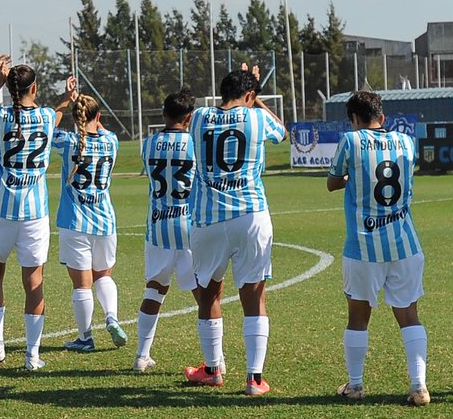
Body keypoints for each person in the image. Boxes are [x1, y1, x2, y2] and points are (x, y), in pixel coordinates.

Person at [184, 64, 286, 396]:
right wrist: (256, 101)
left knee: (209, 294)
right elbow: (282, 131)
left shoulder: (198, 118)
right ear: (250, 96)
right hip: (251, 216)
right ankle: (255, 379)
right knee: (254, 296)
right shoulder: (257, 117)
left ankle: (213, 369)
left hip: (208, 218)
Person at [327, 91, 429, 406]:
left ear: (354, 120)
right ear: (382, 118)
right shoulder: (406, 142)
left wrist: (350, 178)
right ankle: (419, 386)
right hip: (404, 244)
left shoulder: (351, 141)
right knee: (409, 315)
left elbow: (332, 182)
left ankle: (356, 385)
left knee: (358, 317)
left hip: (363, 245)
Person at [0, 56, 58, 371]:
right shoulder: (48, 117)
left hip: (0, 209)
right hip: (35, 212)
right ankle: (33, 355)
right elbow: (58, 113)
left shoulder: (0, 116)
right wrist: (67, 98)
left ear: (10, 90)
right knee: (33, 280)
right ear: (34, 88)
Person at [52, 86, 127, 354]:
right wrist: (85, 108)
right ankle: (112, 317)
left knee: (81, 284)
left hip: (75, 223)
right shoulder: (112, 141)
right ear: (99, 115)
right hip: (105, 222)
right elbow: (99, 128)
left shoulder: (68, 142)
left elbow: (49, 127)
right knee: (103, 276)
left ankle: (85, 337)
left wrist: (65, 102)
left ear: (76, 118)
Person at [133, 88, 202, 373]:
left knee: (155, 289)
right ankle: (216, 359)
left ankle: (141, 355)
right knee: (205, 295)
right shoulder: (195, 143)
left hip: (158, 226)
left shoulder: (147, 144)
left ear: (163, 114)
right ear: (190, 118)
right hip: (190, 226)